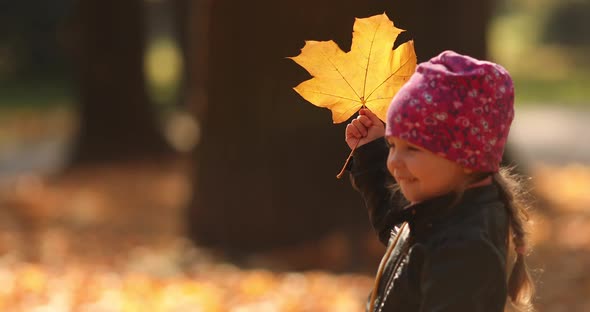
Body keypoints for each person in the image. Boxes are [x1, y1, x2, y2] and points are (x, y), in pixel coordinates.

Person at [345, 51, 535, 312]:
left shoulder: (464, 251)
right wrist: (371, 153)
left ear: (465, 159)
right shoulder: (440, 207)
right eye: (392, 145)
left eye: (412, 149)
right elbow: (397, 231)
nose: (393, 162)